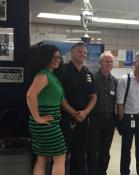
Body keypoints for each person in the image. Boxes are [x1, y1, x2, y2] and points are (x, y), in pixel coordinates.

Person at [26, 44, 77, 175]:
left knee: (42, 157)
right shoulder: (43, 75)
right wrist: (37, 117)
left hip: (45, 123)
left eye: (59, 57)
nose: (57, 60)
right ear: (45, 58)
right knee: (60, 156)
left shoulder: (50, 75)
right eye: (53, 57)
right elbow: (30, 95)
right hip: (47, 123)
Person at [60, 42, 97, 175]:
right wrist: (73, 112)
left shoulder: (89, 74)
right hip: (65, 121)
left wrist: (84, 113)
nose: (83, 54)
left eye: (85, 53)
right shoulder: (62, 70)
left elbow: (93, 97)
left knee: (80, 156)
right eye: (80, 51)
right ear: (72, 53)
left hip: (83, 121)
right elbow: (60, 96)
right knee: (61, 157)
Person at [116, 53, 139, 175]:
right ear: (134, 64)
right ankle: (124, 172)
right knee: (126, 150)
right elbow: (120, 103)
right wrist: (121, 121)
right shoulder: (124, 80)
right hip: (128, 118)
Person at [87, 52, 118, 175]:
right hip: (94, 119)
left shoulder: (115, 81)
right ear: (100, 63)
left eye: (111, 62)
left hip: (110, 120)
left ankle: (102, 171)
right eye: (106, 61)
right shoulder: (92, 79)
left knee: (105, 150)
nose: (108, 64)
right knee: (92, 149)